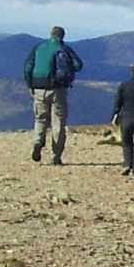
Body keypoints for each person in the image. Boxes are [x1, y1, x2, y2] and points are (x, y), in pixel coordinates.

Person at [23, 24, 82, 165]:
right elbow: (78, 65)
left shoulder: (39, 47)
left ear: (51, 35)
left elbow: (28, 67)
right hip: (59, 89)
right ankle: (56, 156)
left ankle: (38, 141)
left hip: (38, 87)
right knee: (58, 122)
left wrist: (30, 84)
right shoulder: (64, 49)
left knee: (40, 119)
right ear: (62, 36)